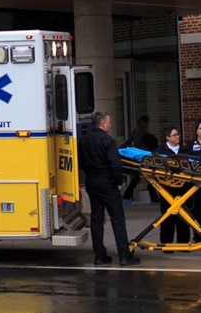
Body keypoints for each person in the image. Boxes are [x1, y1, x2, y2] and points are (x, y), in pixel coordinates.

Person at [80, 112, 140, 266]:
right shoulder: (108, 140)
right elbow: (115, 164)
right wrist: (118, 181)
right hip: (107, 182)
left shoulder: (83, 140)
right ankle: (124, 255)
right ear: (102, 123)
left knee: (96, 219)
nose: (110, 125)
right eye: (109, 122)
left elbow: (80, 162)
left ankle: (99, 256)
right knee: (117, 218)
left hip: (91, 181)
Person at [154, 126, 190, 249]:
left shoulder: (184, 150)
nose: (178, 136)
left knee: (183, 215)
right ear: (167, 137)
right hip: (166, 187)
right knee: (167, 216)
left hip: (183, 187)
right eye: (174, 135)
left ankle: (183, 243)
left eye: (178, 134)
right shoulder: (160, 151)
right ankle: (167, 243)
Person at [122, 115, 160, 204]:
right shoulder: (138, 133)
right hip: (140, 158)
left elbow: (151, 145)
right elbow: (129, 141)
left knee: (143, 178)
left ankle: (154, 199)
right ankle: (154, 199)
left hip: (144, 158)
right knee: (144, 178)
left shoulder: (145, 133)